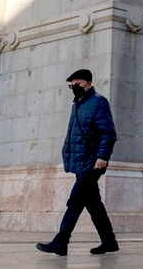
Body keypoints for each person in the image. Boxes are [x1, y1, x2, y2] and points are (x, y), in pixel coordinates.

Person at [36, 69, 119, 256]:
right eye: (71, 86)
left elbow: (108, 133)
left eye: (77, 84)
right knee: (93, 204)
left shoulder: (99, 102)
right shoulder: (77, 104)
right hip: (80, 161)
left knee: (75, 201)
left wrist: (102, 157)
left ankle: (60, 242)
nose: (74, 88)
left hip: (92, 162)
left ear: (88, 84)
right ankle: (109, 241)